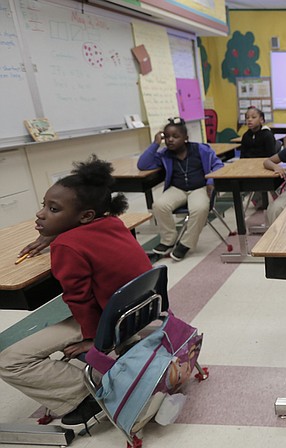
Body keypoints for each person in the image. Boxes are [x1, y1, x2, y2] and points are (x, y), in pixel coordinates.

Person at [0, 156, 153, 429]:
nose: (40, 214)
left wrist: (94, 340)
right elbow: (87, 241)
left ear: (85, 216)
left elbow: (79, 299)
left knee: (9, 361)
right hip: (139, 311)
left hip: (110, 321)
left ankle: (85, 397)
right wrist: (56, 232)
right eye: (44, 206)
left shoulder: (68, 246)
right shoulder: (112, 224)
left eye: (54, 209)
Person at [138, 117, 224, 261]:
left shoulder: (201, 149)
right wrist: (155, 144)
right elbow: (142, 165)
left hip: (199, 188)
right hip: (177, 188)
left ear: (186, 138)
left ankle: (186, 243)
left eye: (175, 136)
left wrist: (211, 180)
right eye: (167, 137)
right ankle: (169, 239)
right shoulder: (164, 154)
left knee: (200, 208)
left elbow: (218, 165)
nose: (170, 140)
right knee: (159, 206)